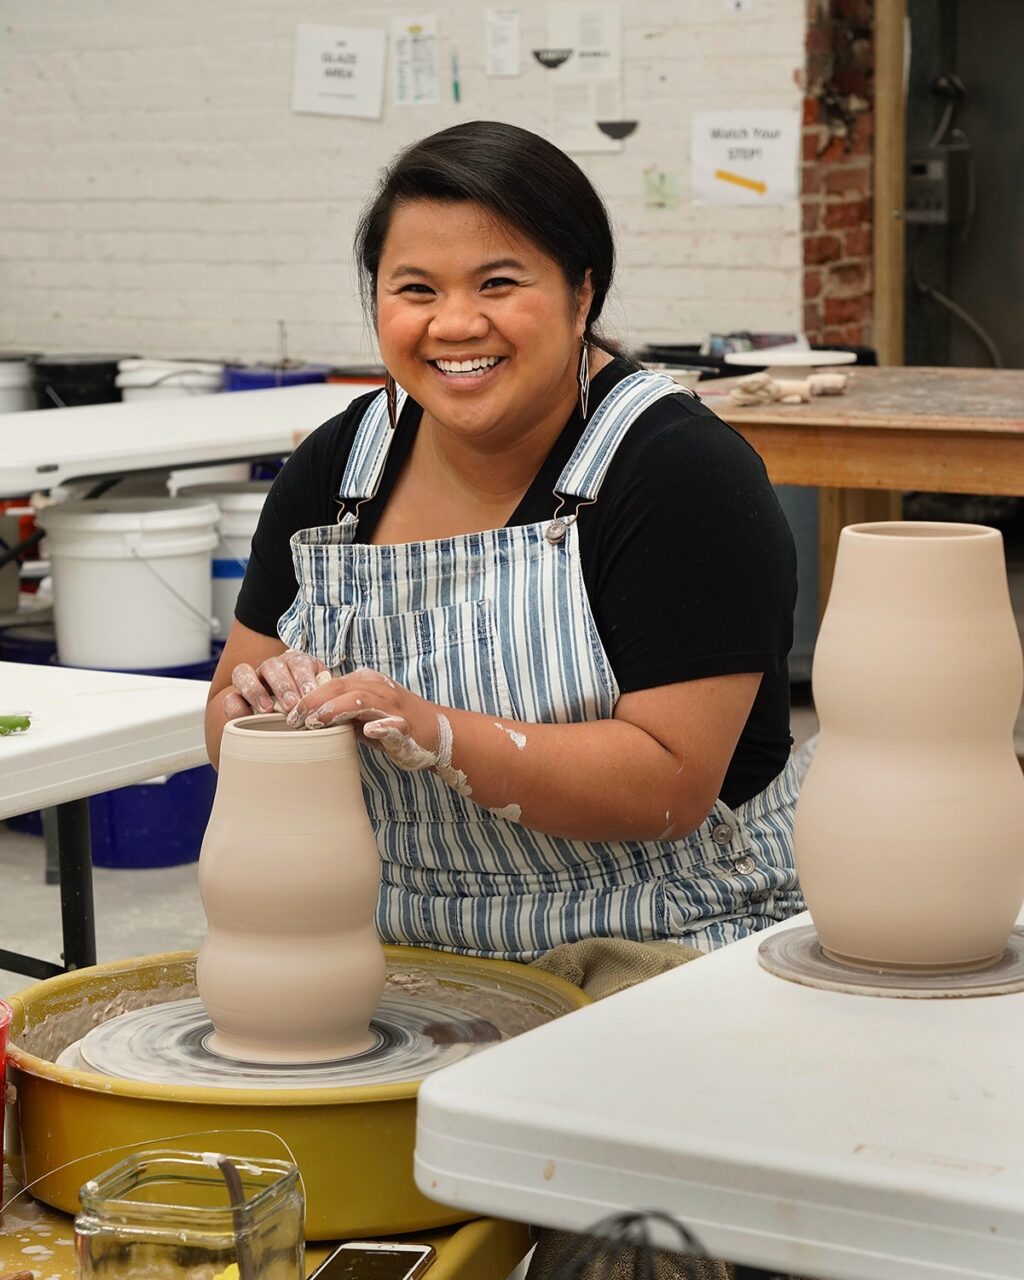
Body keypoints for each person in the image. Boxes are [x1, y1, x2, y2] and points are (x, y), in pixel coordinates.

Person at [205, 120, 804, 964]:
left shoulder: (677, 474)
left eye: (497, 283)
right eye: (415, 289)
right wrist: (256, 709)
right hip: (382, 934)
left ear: (581, 292)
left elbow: (670, 782)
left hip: (652, 923)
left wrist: (431, 727)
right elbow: (225, 717)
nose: (455, 324)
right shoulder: (339, 470)